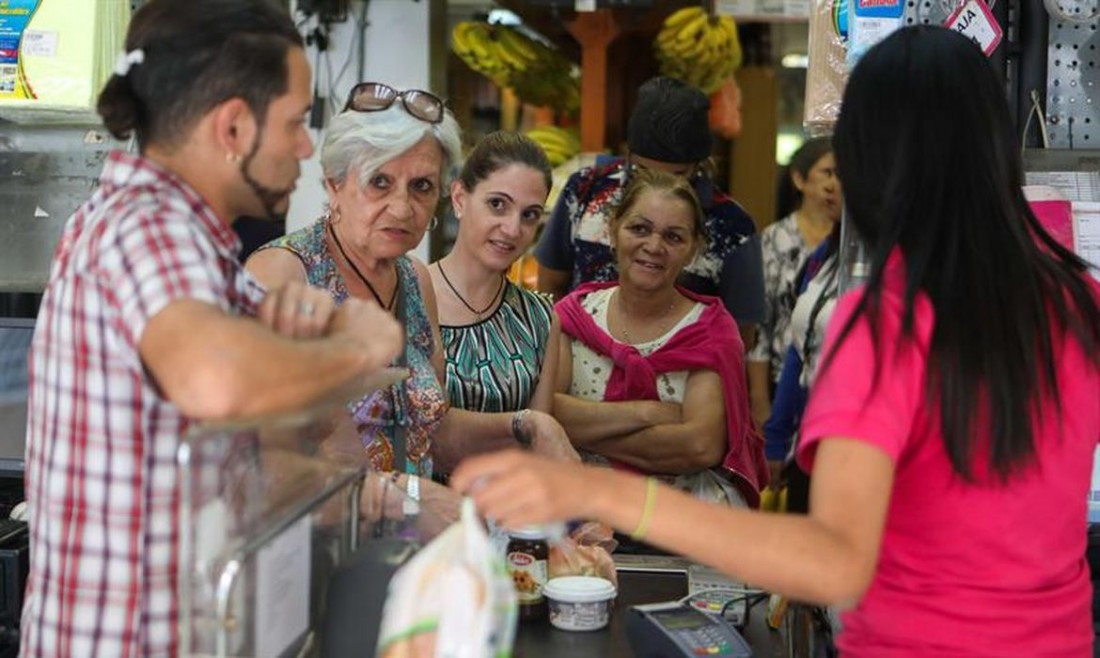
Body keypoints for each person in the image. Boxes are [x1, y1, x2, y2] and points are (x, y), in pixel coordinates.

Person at [454, 26, 1100, 657]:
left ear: (869, 162)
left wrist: (600, 493)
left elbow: (834, 563)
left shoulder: (886, 324)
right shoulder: (1080, 303)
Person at [21, 1, 405, 656]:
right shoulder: (147, 225)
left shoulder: (198, 250)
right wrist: (358, 347)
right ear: (232, 127)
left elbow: (254, 414)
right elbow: (215, 380)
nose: (305, 147)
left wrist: (303, 335)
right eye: (294, 123)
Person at [246, 85, 575, 482]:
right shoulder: (283, 275)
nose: (403, 209)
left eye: (421, 186)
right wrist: (403, 498)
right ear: (335, 184)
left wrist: (527, 424)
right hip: (318, 539)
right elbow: (262, 460)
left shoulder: (413, 279)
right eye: (379, 182)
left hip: (405, 536)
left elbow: (432, 433)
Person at [552, 168, 767, 508]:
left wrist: (587, 433)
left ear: (694, 249)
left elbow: (700, 446)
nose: (653, 246)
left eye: (674, 237)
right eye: (639, 228)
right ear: (612, 231)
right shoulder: (574, 314)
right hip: (579, 520)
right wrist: (649, 413)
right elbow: (549, 415)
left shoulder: (709, 329)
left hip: (679, 530)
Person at [533, 76, 765, 355]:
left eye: (676, 176)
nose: (659, 185)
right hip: (576, 364)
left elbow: (740, 337)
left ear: (699, 166)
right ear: (627, 155)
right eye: (643, 171)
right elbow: (549, 286)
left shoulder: (733, 228)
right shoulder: (584, 191)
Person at [430, 131, 561, 416]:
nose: (513, 229)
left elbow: (539, 439)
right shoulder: (406, 295)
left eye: (529, 215)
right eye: (497, 204)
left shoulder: (541, 319)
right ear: (459, 198)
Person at [747, 136, 840, 428]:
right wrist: (759, 401)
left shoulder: (848, 243)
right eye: (827, 172)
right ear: (799, 179)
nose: (834, 183)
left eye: (843, 174)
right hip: (781, 381)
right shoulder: (775, 240)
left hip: (832, 382)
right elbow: (760, 327)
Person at [762, 227, 840, 509]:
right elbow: (801, 346)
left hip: (863, 448)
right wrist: (777, 435)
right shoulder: (829, 250)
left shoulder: (912, 257)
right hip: (810, 441)